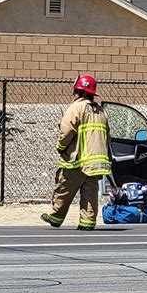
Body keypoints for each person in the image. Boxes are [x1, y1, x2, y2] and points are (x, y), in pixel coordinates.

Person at [41, 74, 111, 231]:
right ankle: (87, 222)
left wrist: (61, 146)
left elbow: (66, 130)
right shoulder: (100, 111)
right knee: (90, 192)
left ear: (79, 91)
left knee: (65, 187)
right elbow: (108, 135)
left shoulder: (76, 108)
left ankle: (56, 216)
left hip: (78, 159)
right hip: (96, 161)